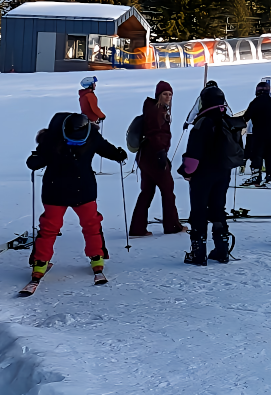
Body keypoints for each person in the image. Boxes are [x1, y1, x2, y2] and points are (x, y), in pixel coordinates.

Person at [25, 113, 127, 285]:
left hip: (65, 191)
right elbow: (36, 161)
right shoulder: (55, 140)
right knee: (86, 226)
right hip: (71, 191)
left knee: (76, 226)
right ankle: (95, 258)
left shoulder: (84, 137)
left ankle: (41, 263)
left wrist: (118, 154)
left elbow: (108, 150)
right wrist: (119, 154)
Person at [179, 85, 238, 265]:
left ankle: (198, 253)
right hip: (224, 173)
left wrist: (185, 172)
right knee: (218, 209)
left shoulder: (202, 122)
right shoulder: (227, 120)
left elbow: (193, 155)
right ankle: (222, 250)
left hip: (203, 175)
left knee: (199, 211)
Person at [129, 81, 185, 236]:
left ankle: (137, 228)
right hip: (154, 156)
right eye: (165, 94)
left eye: (170, 94)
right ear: (158, 95)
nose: (168, 97)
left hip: (146, 157)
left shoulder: (155, 109)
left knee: (147, 191)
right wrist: (161, 153)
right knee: (168, 190)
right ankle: (172, 226)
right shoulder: (157, 110)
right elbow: (154, 133)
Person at [242, 81, 271, 186]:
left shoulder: (255, 102)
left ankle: (256, 177)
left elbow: (245, 117)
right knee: (270, 154)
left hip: (259, 133)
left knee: (257, 154)